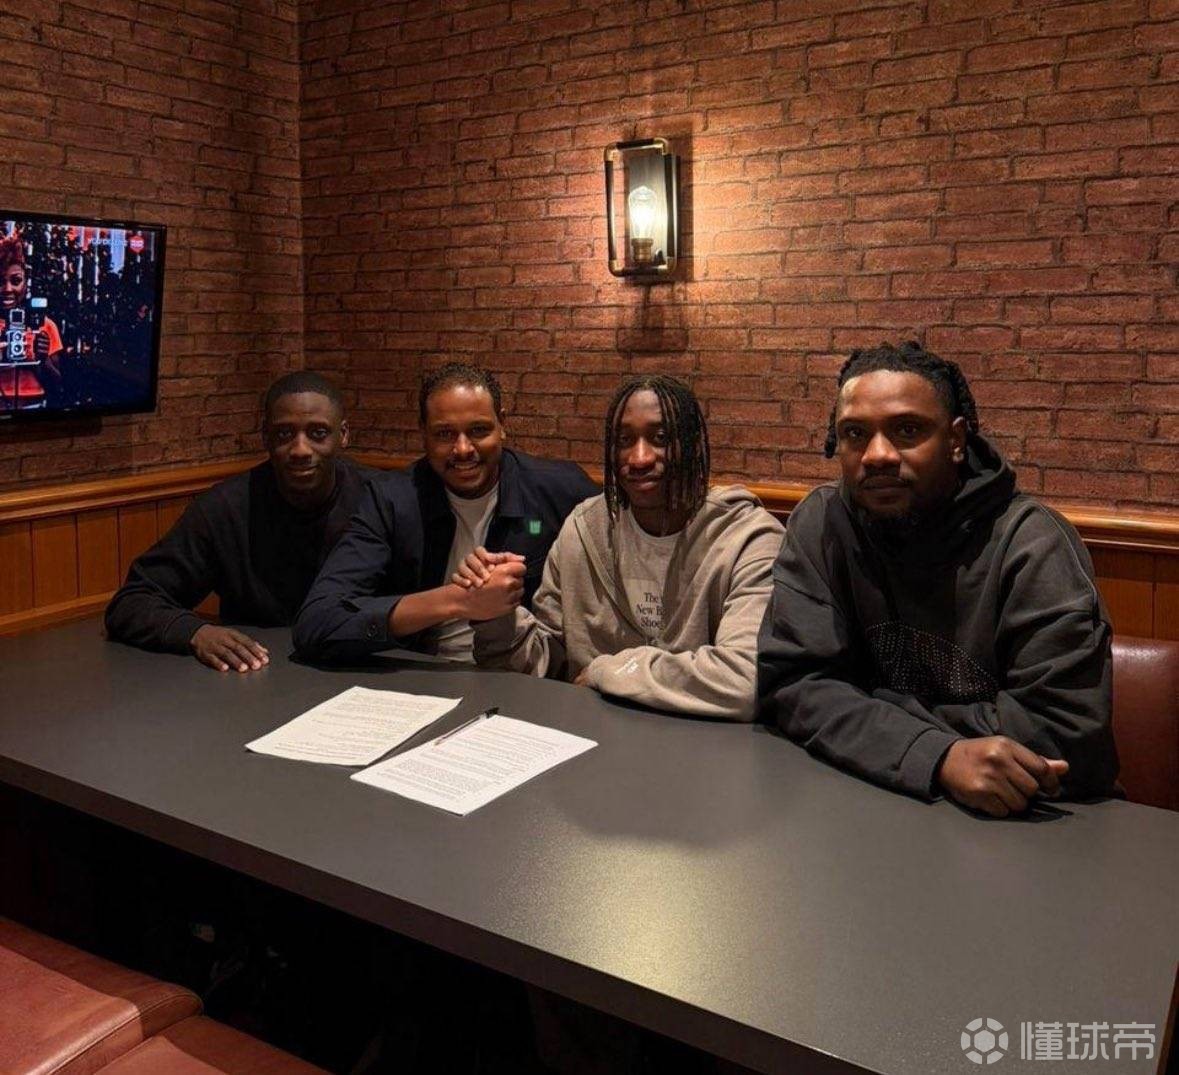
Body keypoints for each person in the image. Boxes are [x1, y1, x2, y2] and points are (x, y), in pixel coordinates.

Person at [757, 341, 1119, 816]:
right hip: (865, 800)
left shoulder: (1032, 544)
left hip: (1033, 820)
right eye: (855, 434)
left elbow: (1063, 735)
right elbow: (792, 684)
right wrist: (938, 755)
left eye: (907, 430)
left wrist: (863, 710)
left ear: (956, 440)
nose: (877, 454)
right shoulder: (822, 522)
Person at [465, 375, 784, 721]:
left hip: (705, 742)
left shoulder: (749, 539)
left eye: (660, 438)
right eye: (624, 440)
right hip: (594, 736)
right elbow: (548, 662)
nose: (640, 458)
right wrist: (496, 617)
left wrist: (609, 672)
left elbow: (745, 679)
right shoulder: (582, 531)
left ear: (693, 445)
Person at [293, 362, 597, 662]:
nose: (463, 449)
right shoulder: (392, 500)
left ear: (502, 425)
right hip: (422, 673)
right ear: (423, 433)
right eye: (444, 434)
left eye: (478, 430)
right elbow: (317, 622)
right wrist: (457, 600)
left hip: (523, 675)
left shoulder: (560, 491)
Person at [105, 371, 371, 672]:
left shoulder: (378, 500)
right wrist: (196, 632)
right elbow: (131, 601)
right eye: (284, 434)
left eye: (318, 433)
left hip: (361, 667)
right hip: (257, 672)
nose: (300, 449)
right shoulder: (224, 508)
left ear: (343, 435)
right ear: (265, 437)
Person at [0, 232, 63, 411]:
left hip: (35, 411)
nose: (7, 289)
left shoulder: (44, 325)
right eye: (0, 281)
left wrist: (42, 360)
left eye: (16, 280)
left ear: (25, 282)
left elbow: (58, 386)